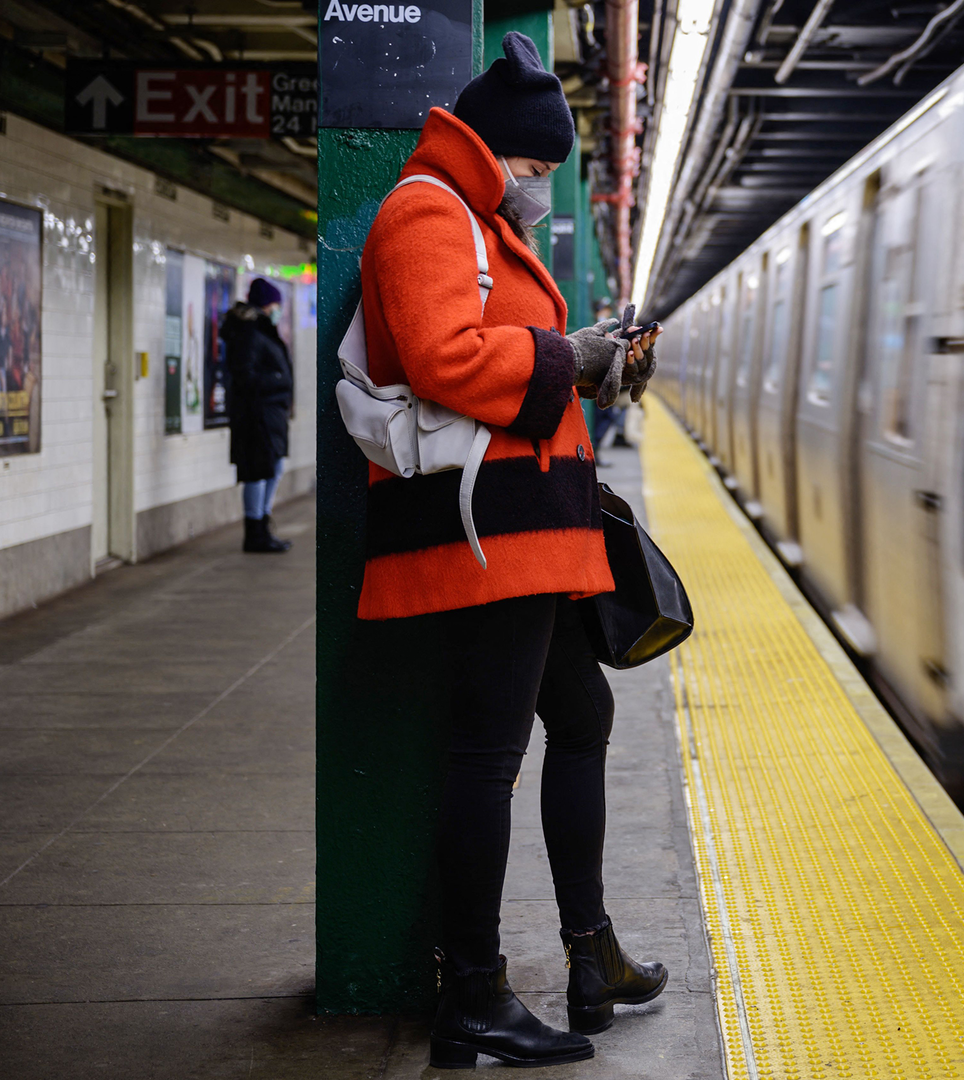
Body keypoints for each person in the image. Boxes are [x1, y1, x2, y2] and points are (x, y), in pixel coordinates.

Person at [354, 31, 663, 1070]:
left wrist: (600, 367)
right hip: (488, 534)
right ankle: (473, 996)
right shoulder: (425, 212)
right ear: (496, 148)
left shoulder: (476, 215)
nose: (538, 188)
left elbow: (516, 361)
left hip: (534, 527)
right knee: (487, 757)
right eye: (534, 169)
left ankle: (591, 956)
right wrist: (562, 356)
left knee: (584, 718)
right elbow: (444, 358)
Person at [222, 278, 294, 553]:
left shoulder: (261, 331)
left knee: (272, 469)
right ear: (267, 305)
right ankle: (255, 532)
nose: (278, 310)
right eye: (276, 305)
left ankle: (262, 526)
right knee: (257, 471)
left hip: (269, 414)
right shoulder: (251, 333)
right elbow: (245, 376)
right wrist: (279, 380)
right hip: (256, 416)